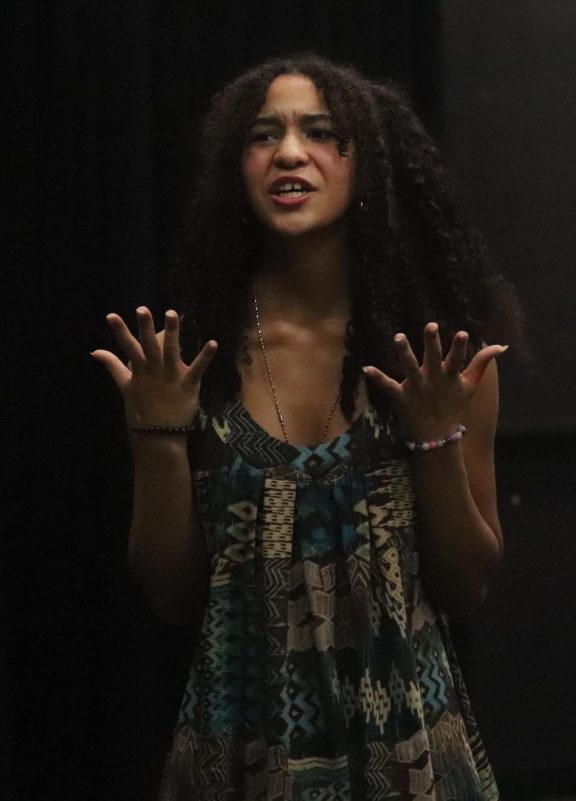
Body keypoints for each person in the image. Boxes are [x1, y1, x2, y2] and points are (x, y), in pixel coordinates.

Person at [93, 55, 520, 799]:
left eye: (321, 132)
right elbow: (173, 595)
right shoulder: (196, 358)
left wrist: (432, 440)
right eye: (264, 136)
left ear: (372, 165)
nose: (290, 152)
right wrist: (157, 434)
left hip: (409, 754)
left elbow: (465, 586)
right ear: (238, 167)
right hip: (242, 755)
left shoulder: (435, 357)